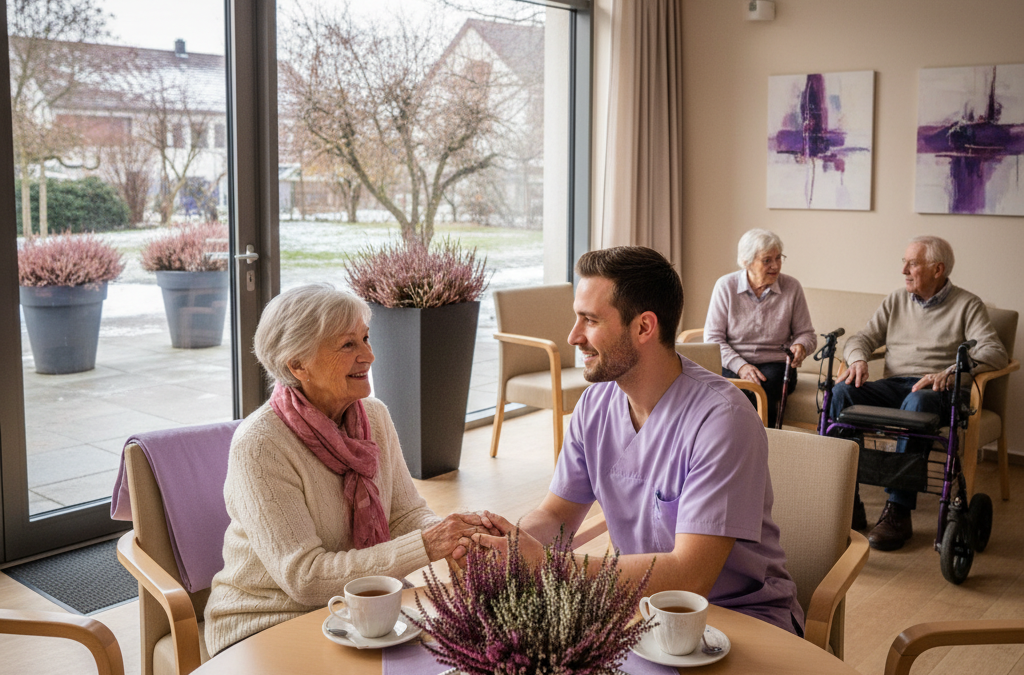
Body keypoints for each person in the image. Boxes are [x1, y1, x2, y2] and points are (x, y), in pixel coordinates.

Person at [471, 246, 805, 636]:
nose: (573, 336)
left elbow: (689, 576)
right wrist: (510, 545)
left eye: (590, 320)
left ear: (644, 327)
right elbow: (557, 516)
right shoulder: (594, 405)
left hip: (740, 621)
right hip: (642, 613)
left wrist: (548, 565)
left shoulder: (722, 420)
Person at [205, 283, 497, 655]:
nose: (370, 355)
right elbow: (305, 578)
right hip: (268, 620)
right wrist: (427, 544)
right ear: (298, 364)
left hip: (363, 609)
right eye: (348, 345)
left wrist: (454, 539)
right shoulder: (261, 445)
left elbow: (406, 513)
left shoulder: (373, 416)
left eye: (366, 338)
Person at [830, 236, 1008, 551]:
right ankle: (847, 501)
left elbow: (994, 352)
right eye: (905, 262)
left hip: (938, 390)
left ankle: (898, 510)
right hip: (896, 383)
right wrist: (857, 359)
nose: (904, 270)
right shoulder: (896, 300)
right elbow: (863, 338)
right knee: (842, 392)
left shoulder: (968, 304)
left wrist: (951, 373)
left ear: (937, 269)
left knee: (917, 400)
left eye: (912, 263)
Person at [704, 229, 815, 427]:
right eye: (767, 260)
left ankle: (762, 445)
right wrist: (741, 366)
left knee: (758, 389)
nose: (775, 266)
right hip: (732, 362)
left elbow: (806, 334)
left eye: (778, 258)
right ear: (746, 262)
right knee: (728, 389)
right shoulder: (726, 286)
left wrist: (801, 346)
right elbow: (713, 338)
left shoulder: (792, 287)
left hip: (776, 364)